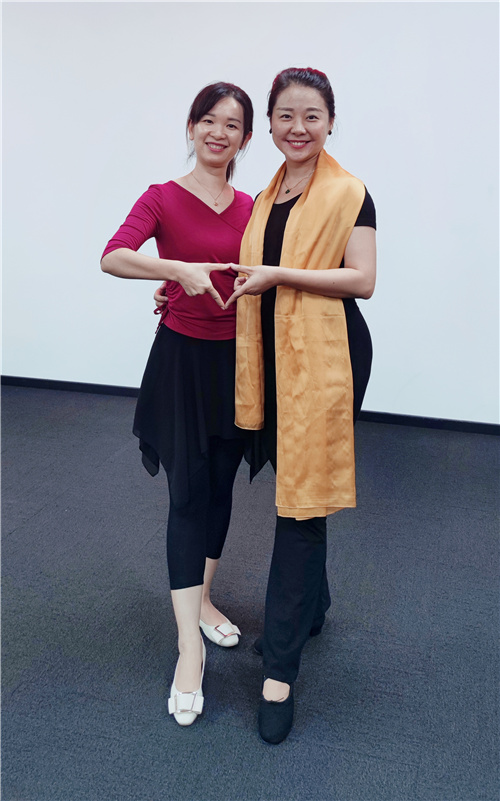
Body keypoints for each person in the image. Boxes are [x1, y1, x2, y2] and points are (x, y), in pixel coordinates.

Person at [225, 67, 377, 744]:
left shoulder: (349, 192)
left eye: (311, 115)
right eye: (285, 115)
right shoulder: (265, 196)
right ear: (270, 124)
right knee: (299, 486)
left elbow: (363, 280)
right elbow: (244, 270)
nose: (298, 127)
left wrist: (281, 275)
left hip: (328, 354)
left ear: (331, 122)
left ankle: (279, 671)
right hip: (273, 353)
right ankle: (311, 606)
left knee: (300, 503)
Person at [101, 82, 253, 726]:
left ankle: (204, 598)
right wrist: (176, 272)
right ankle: (189, 647)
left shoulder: (252, 206)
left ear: (245, 139)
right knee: (187, 496)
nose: (219, 132)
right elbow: (113, 256)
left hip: (238, 366)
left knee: (220, 490)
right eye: (209, 120)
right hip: (182, 365)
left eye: (232, 125)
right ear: (191, 128)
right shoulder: (162, 197)